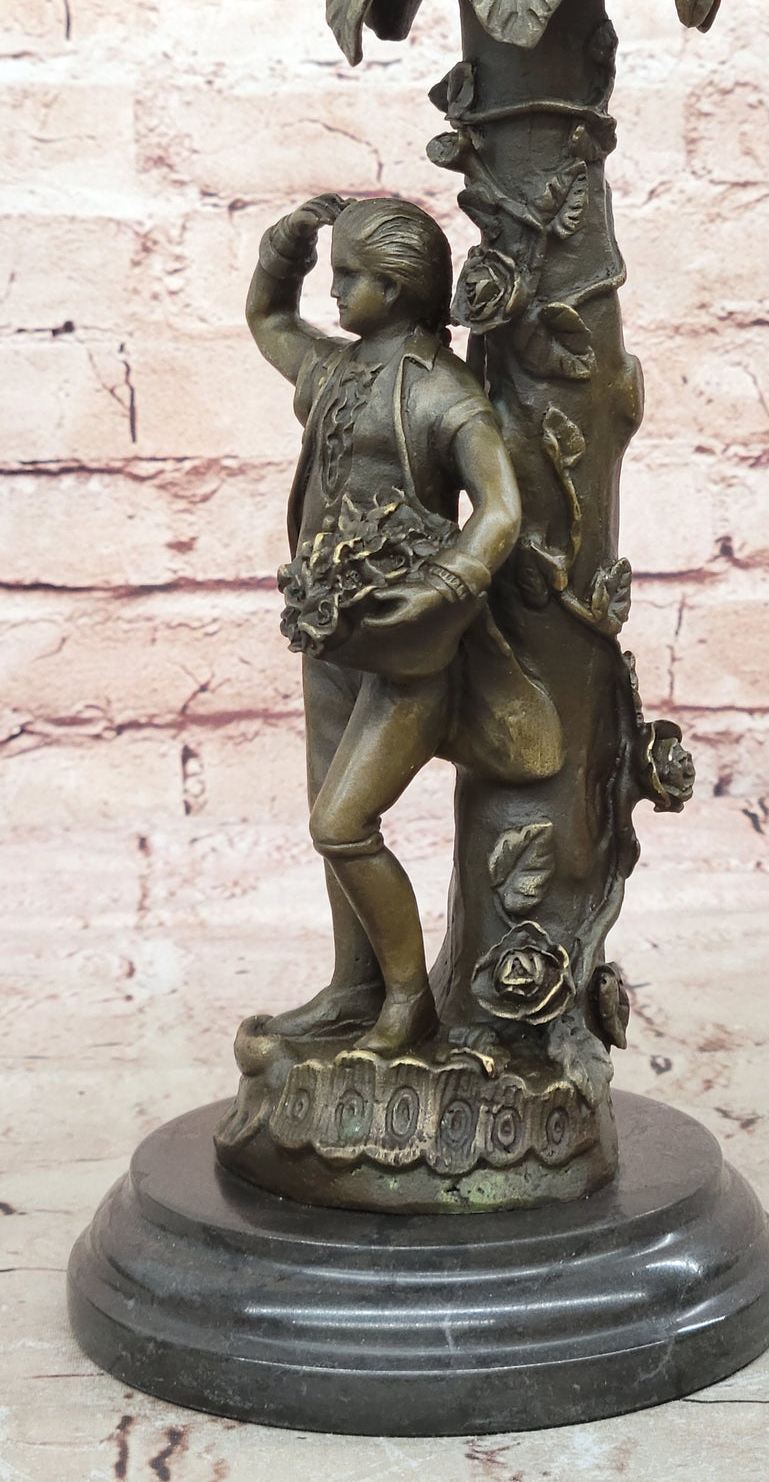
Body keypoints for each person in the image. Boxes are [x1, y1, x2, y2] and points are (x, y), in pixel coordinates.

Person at [246, 193, 543, 1055]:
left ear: (400, 286)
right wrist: (286, 248)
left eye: (350, 276)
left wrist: (444, 584)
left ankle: (408, 1000)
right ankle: (354, 988)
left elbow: (499, 507)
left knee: (342, 823)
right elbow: (269, 318)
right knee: (329, 817)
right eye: (334, 273)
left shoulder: (442, 392)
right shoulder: (332, 372)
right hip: (332, 638)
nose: (334, 292)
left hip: (411, 648)